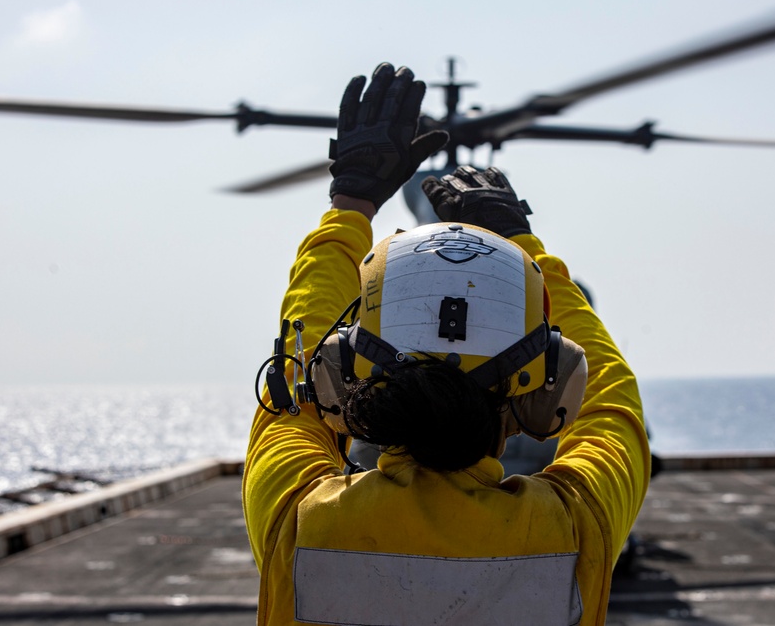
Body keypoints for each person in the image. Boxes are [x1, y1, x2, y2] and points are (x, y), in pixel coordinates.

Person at [243, 62, 650, 625]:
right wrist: (520, 240)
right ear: (551, 382)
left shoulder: (298, 517)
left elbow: (297, 366)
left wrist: (351, 204)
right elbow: (613, 403)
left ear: (339, 373)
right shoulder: (577, 526)